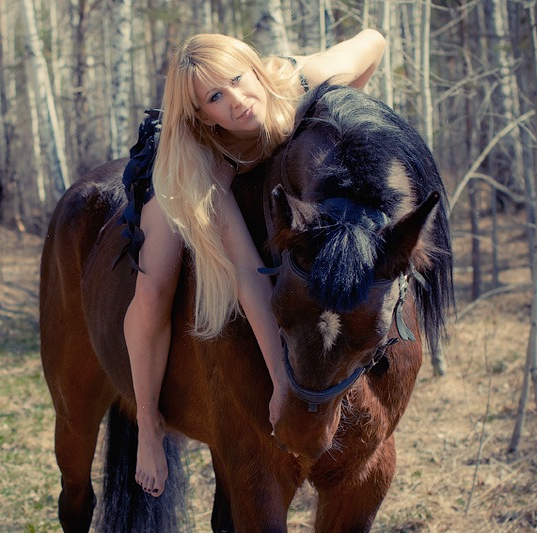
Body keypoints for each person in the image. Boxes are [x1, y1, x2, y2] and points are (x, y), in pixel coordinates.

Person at [123, 29, 387, 497]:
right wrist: (281, 380)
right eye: (215, 97)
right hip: (181, 170)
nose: (238, 101)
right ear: (202, 114)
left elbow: (375, 40)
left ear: (255, 67)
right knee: (153, 289)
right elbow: (247, 272)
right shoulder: (206, 157)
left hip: (277, 134)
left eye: (238, 79)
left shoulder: (301, 79)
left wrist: (335, 120)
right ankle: (147, 424)